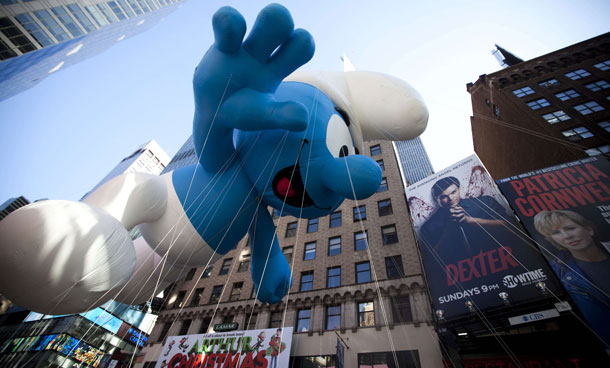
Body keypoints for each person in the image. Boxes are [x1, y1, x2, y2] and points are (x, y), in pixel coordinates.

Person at [534, 210, 610, 347]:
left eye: (570, 228)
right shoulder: (556, 273)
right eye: (556, 233)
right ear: (553, 240)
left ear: (589, 230)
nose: (567, 236)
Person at [420, 176, 513, 260]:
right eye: (444, 197)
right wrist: (449, 230)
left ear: (459, 189)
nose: (451, 198)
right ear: (436, 199)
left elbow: (511, 226)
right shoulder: (428, 226)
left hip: (500, 257)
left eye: (453, 192)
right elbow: (430, 259)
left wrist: (469, 220)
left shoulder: (485, 202)